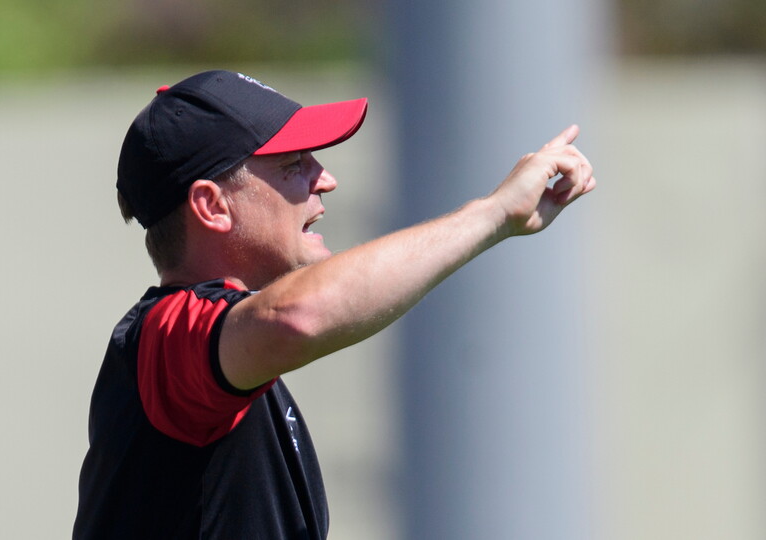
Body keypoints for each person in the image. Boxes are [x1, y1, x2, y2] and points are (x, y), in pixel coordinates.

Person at [72, 70, 595, 539]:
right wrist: (494, 214)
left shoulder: (220, 357)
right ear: (212, 205)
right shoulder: (165, 336)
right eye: (294, 164)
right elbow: (294, 317)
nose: (326, 178)